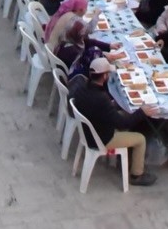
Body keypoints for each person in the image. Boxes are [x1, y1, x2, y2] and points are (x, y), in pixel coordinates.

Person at [67, 56, 157, 186]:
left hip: (90, 128)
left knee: (125, 114)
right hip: (102, 137)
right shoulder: (101, 99)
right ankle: (137, 174)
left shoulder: (82, 88)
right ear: (104, 76)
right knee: (140, 139)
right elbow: (122, 124)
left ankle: (128, 160)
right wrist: (142, 112)